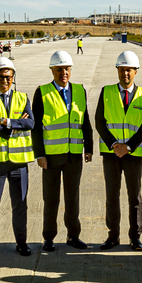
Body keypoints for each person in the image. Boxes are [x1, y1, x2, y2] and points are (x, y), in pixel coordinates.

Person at [32, 50, 93, 251]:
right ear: (52, 71)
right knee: (51, 199)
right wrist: (39, 154)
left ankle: (73, 236)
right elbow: (36, 128)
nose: (63, 73)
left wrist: (89, 148)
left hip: (74, 155)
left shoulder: (79, 90)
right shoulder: (42, 92)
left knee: (72, 198)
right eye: (59, 69)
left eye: (66, 69)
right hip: (51, 156)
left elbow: (85, 121)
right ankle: (48, 238)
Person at [95, 50, 142, 250]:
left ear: (136, 71)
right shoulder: (107, 91)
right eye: (121, 70)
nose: (125, 74)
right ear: (117, 71)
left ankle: (135, 236)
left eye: (129, 70)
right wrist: (114, 145)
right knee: (112, 195)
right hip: (111, 154)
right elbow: (100, 122)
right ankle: (113, 235)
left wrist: (128, 147)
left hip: (133, 154)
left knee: (134, 196)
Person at [0, 56, 35, 256]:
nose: (5, 81)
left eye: (9, 77)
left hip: (19, 162)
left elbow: (31, 124)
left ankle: (21, 243)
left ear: (13, 78)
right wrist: (14, 126)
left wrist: (6, 122)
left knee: (20, 206)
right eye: (1, 77)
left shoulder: (23, 98)